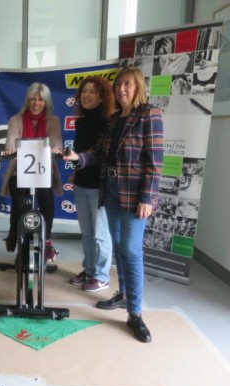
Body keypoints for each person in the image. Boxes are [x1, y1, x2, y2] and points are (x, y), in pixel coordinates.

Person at [64, 67, 164, 343]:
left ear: (138, 86)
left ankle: (135, 313)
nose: (122, 89)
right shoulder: (113, 120)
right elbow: (98, 153)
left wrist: (147, 197)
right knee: (119, 248)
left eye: (127, 84)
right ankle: (123, 295)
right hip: (110, 191)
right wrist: (77, 158)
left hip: (135, 195)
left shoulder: (149, 114)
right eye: (119, 84)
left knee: (131, 251)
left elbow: (155, 161)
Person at [1, 82, 63, 262]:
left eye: (40, 100)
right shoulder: (16, 120)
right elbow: (11, 142)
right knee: (21, 207)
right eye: (32, 99)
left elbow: (56, 142)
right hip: (19, 170)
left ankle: (47, 241)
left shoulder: (53, 121)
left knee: (47, 202)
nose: (36, 103)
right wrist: (11, 149)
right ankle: (19, 237)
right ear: (27, 101)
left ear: (46, 102)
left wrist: (56, 148)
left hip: (43, 171)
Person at [68, 76, 115, 293]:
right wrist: (75, 172)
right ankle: (89, 270)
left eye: (92, 92)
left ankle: (102, 276)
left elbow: (100, 155)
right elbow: (80, 153)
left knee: (100, 234)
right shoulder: (81, 122)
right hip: (81, 183)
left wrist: (79, 159)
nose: (86, 95)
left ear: (102, 97)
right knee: (86, 233)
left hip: (99, 185)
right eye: (84, 91)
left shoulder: (108, 122)